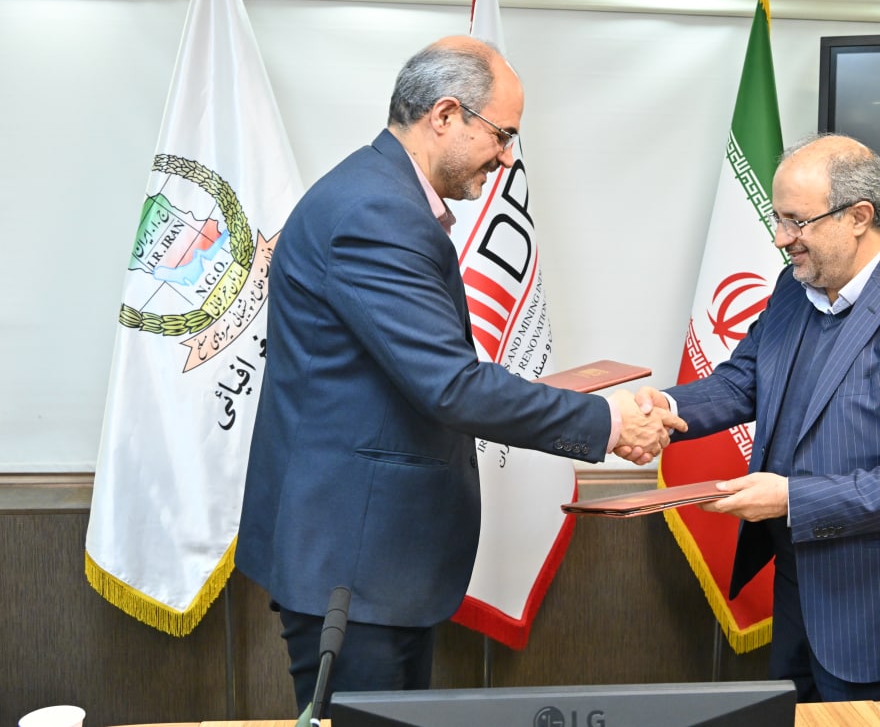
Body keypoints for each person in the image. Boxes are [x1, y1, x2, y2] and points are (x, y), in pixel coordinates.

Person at [235, 36, 684, 712]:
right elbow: (450, 385)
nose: (506, 157)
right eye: (503, 134)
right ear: (445, 115)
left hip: (374, 560)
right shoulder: (376, 212)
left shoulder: (378, 195)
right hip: (354, 564)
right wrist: (609, 423)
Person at [638, 133, 880, 702]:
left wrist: (791, 499)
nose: (781, 239)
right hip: (798, 592)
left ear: (858, 217)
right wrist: (667, 409)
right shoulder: (793, 286)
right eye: (778, 220)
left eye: (796, 222)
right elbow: (743, 379)